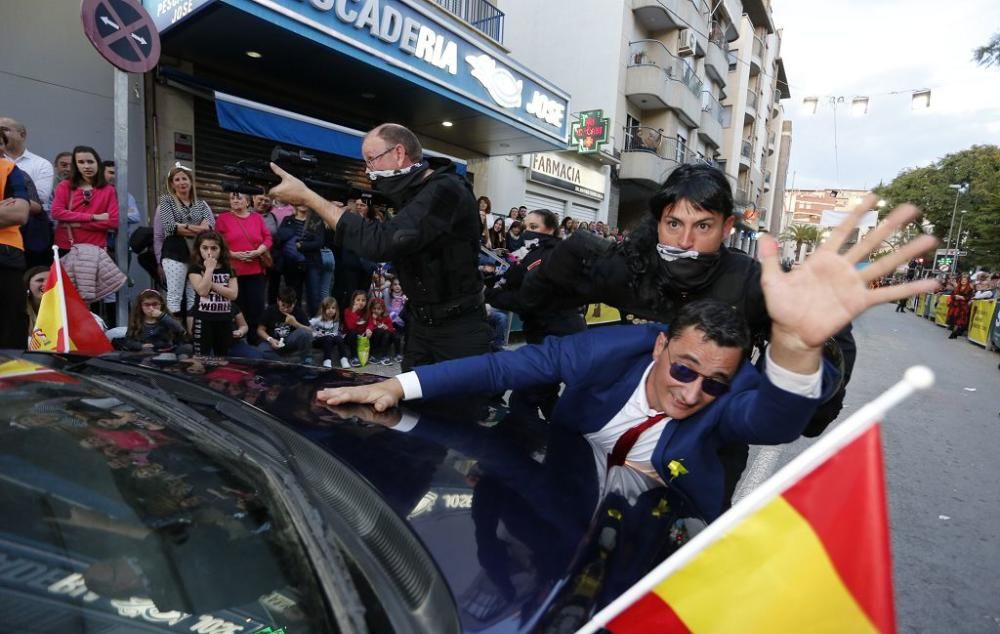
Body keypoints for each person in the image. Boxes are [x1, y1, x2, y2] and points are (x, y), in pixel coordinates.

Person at [318, 205, 938, 520]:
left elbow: (775, 420)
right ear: (660, 345)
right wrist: (397, 384)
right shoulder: (610, 346)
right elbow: (504, 370)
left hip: (665, 524)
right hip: (558, 493)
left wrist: (798, 349)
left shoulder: (732, 391)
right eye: (685, 371)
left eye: (714, 384)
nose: (695, 393)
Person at [513, 163, 859, 500]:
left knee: (682, 549)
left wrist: (801, 383)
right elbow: (539, 305)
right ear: (659, 222)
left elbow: (829, 346)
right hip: (605, 430)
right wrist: (559, 264)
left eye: (703, 226)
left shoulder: (753, 282)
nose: (685, 240)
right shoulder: (627, 264)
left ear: (726, 228)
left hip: (703, 448)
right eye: (674, 224)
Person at [268, 123, 492, 371]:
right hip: (422, 325)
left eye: (372, 160)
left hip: (458, 329)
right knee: (414, 404)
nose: (368, 171)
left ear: (398, 153)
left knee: (458, 405)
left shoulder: (446, 189)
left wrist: (310, 198)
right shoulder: (414, 195)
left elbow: (384, 241)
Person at [488, 208, 587, 416]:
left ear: (550, 229)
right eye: (525, 227)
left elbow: (528, 299)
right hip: (542, 332)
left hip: (557, 333)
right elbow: (514, 283)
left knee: (527, 395)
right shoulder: (532, 253)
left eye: (534, 227)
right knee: (543, 394)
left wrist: (489, 296)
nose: (527, 232)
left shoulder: (552, 256)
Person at [153, 164, 214, 318]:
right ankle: (175, 335)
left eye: (184, 178)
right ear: (172, 184)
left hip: (195, 253)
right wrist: (197, 228)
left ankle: (191, 334)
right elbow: (169, 228)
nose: (181, 182)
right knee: (174, 296)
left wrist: (183, 226)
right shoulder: (166, 202)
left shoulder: (202, 204)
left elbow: (210, 229)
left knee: (193, 296)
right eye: (177, 179)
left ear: (191, 181)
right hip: (174, 253)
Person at [215, 191, 272, 344]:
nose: (235, 201)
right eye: (232, 198)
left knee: (257, 307)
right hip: (234, 271)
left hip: (256, 271)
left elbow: (268, 238)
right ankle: (238, 340)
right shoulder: (223, 218)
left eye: (238, 198)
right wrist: (233, 254)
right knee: (238, 307)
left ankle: (255, 340)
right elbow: (217, 242)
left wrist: (258, 251)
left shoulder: (257, 218)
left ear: (248, 201)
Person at [50, 146, 118, 254]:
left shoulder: (108, 190)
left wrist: (78, 224)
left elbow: (113, 222)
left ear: (98, 164)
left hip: (96, 247)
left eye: (90, 162)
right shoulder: (65, 186)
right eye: (81, 162)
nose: (86, 166)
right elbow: (57, 212)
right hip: (67, 246)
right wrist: (93, 217)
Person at [187, 231, 238, 357]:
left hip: (224, 319)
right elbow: (202, 291)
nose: (209, 252)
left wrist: (212, 285)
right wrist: (209, 269)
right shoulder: (195, 269)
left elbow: (233, 294)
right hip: (204, 319)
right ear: (199, 249)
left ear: (221, 249)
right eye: (205, 248)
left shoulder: (228, 269)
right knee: (201, 358)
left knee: (223, 357)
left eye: (214, 248)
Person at [0, 117, 53, 211]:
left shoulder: (42, 164)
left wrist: (6, 199)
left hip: (32, 220)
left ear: (22, 134)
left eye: (4, 129)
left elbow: (40, 197)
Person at [114, 289, 186, 352]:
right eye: (147, 305)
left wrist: (162, 316)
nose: (151, 308)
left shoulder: (166, 319)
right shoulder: (137, 320)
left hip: (165, 352)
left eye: (155, 304)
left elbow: (180, 330)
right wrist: (141, 346)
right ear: (140, 306)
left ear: (161, 305)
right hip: (143, 353)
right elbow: (129, 341)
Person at [256, 286, 313, 364]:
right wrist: (270, 339)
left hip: (289, 342)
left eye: (289, 307)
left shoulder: (298, 311)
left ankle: (307, 363)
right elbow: (260, 330)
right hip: (273, 342)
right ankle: (285, 363)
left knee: (304, 333)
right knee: (261, 350)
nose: (285, 309)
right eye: (283, 305)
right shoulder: (270, 310)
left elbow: (310, 332)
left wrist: (295, 323)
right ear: (278, 300)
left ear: (294, 303)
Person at [310, 296, 351, 369]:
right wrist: (314, 334)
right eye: (328, 308)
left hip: (330, 340)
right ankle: (327, 360)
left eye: (333, 308)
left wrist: (333, 335)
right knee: (328, 337)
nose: (331, 310)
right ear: (323, 309)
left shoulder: (335, 321)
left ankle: (344, 359)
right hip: (317, 340)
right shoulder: (318, 319)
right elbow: (308, 325)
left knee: (338, 338)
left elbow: (335, 333)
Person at [366, 298, 402, 365]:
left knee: (395, 335)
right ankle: (375, 356)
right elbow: (369, 326)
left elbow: (391, 328)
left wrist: (387, 327)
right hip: (374, 339)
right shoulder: (370, 317)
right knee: (380, 331)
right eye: (374, 308)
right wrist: (374, 320)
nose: (376, 311)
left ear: (383, 309)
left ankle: (397, 354)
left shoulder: (386, 317)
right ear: (371, 309)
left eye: (379, 309)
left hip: (385, 338)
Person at [342, 289, 370, 367]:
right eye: (358, 300)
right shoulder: (347, 311)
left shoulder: (366, 312)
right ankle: (354, 357)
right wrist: (353, 313)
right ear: (353, 301)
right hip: (350, 337)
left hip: (362, 336)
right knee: (353, 333)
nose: (360, 302)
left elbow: (370, 323)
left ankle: (370, 355)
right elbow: (351, 327)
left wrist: (369, 329)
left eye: (363, 300)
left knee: (372, 332)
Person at [946, 273, 974, 339]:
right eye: (962, 280)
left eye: (965, 280)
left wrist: (961, 297)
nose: (963, 281)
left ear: (967, 281)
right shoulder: (957, 287)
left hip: (963, 307)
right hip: (955, 306)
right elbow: (952, 295)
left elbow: (969, 297)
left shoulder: (970, 289)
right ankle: (955, 333)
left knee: (959, 320)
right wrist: (955, 296)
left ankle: (953, 333)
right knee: (954, 320)